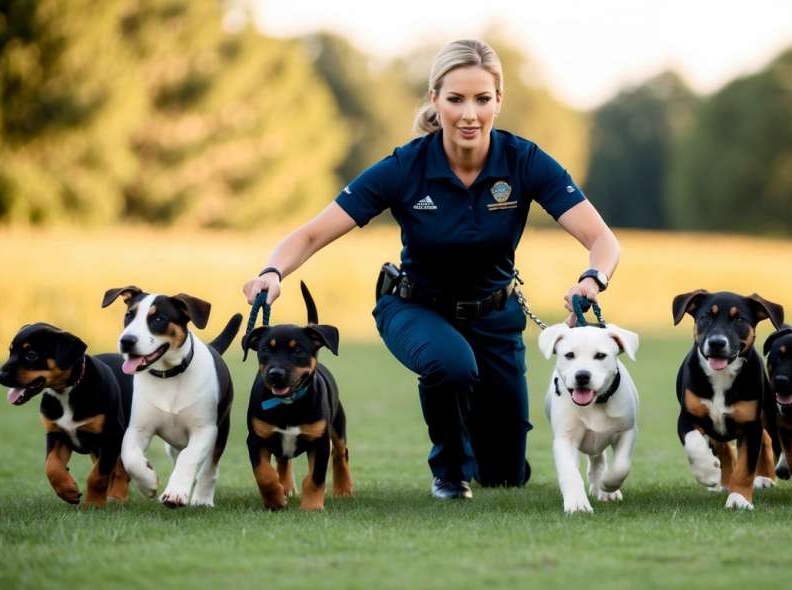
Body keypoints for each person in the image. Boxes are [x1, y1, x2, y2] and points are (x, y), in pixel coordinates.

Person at [242, 39, 620, 500]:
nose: (469, 114)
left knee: (504, 473)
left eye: (482, 99)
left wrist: (592, 278)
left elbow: (602, 240)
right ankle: (449, 474)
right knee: (451, 364)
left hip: (495, 316)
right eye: (455, 99)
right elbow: (310, 234)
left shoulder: (523, 160)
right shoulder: (405, 167)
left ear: (499, 101)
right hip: (414, 307)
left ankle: (484, 460)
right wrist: (272, 272)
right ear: (434, 100)